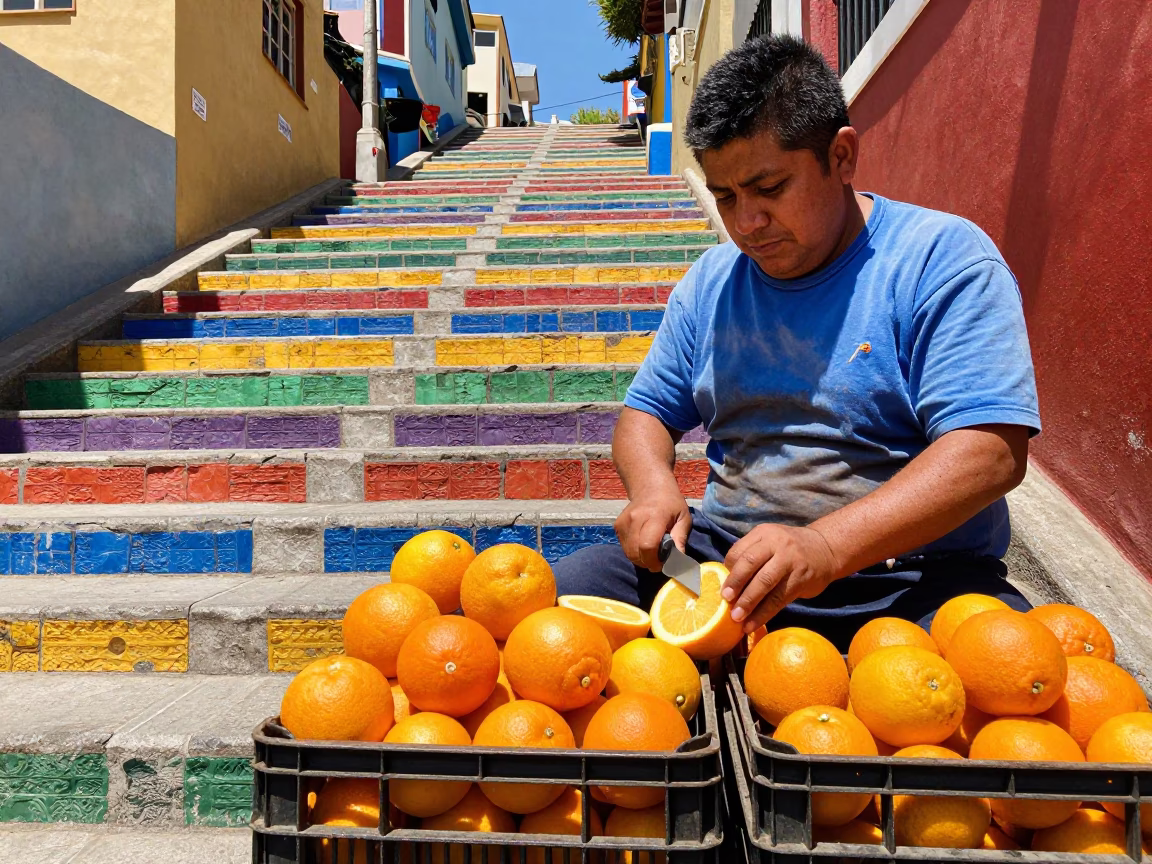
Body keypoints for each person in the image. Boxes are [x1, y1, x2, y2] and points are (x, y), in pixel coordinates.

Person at [551, 35, 1041, 650]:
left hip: (912, 579)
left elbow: (990, 453)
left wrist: (827, 546)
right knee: (559, 606)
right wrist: (654, 489)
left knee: (1003, 678)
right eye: (725, 196)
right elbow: (645, 414)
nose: (746, 222)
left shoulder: (943, 260)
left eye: (769, 188)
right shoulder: (711, 283)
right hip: (725, 572)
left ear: (841, 156)